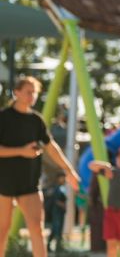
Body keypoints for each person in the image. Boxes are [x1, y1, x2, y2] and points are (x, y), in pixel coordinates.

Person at [0, 76, 79, 257]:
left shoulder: (36, 120)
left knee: (37, 228)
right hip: (4, 184)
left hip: (30, 183)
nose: (32, 96)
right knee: (2, 230)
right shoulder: (3, 118)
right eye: (28, 92)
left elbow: (52, 148)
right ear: (16, 92)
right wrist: (21, 151)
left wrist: (69, 170)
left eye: (34, 92)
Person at [43, 173, 66, 253]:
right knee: (57, 230)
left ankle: (52, 247)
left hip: (60, 212)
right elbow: (55, 200)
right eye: (62, 178)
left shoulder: (62, 187)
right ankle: (58, 248)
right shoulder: (56, 188)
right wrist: (63, 205)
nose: (63, 179)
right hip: (56, 212)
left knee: (55, 230)